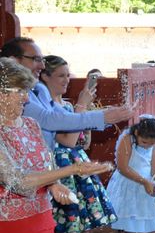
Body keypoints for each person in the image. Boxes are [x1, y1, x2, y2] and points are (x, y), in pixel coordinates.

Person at [1, 37, 133, 233]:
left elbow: (63, 137)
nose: (38, 64)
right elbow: (51, 125)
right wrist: (98, 115)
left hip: (47, 182)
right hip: (22, 190)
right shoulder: (26, 99)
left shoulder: (38, 94)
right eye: (34, 59)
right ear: (9, 59)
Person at [40, 55, 117, 233]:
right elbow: (68, 139)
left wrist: (83, 112)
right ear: (45, 77)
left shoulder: (69, 105)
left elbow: (82, 143)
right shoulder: (45, 107)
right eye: (61, 75)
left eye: (67, 74)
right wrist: (82, 108)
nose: (67, 79)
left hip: (78, 168)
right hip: (58, 173)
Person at [0, 37, 135, 151]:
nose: (41, 66)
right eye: (35, 59)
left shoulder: (40, 90)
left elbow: (65, 117)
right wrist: (101, 116)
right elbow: (48, 119)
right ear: (13, 61)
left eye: (42, 60)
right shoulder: (9, 95)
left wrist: (108, 114)